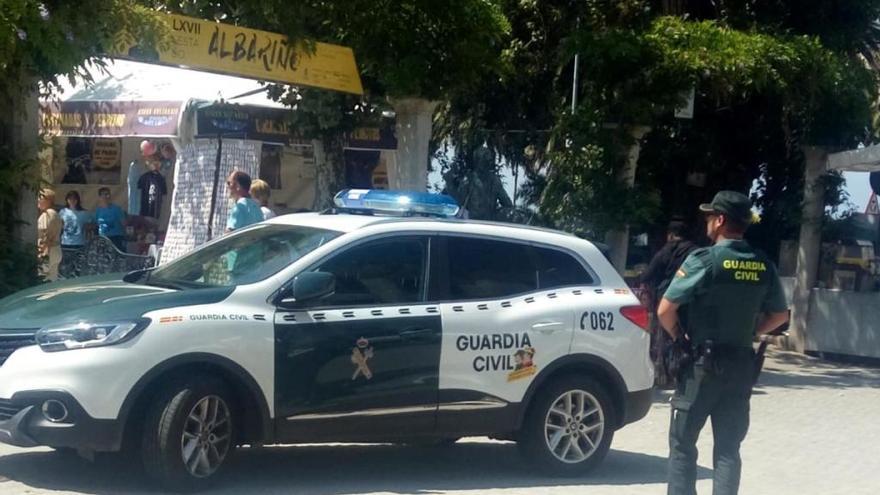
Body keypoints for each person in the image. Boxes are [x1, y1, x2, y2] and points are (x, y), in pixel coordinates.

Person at [657, 191, 790, 495]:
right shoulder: (763, 265)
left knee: (682, 445)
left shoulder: (705, 260)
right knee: (728, 450)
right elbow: (780, 315)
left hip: (702, 366)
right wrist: (752, 331)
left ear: (719, 220)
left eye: (709, 216)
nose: (706, 221)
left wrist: (680, 338)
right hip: (742, 364)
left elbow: (665, 310)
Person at [639, 221, 698, 387]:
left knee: (664, 336)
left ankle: (664, 375)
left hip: (665, 300)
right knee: (686, 335)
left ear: (671, 235)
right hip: (688, 302)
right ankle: (686, 370)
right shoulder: (695, 252)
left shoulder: (664, 252)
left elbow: (648, 275)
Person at [37, 189, 63, 281]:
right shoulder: (54, 213)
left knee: (45, 280)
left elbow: (47, 234)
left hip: (48, 251)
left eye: (40, 198)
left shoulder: (48, 214)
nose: (38, 201)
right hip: (54, 249)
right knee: (52, 278)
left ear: (48, 200)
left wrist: (42, 252)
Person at [95, 187, 127, 251]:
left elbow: (124, 223)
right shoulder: (98, 210)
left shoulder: (117, 209)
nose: (105, 196)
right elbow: (97, 224)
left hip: (115, 238)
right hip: (103, 238)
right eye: (103, 194)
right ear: (100, 197)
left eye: (107, 194)